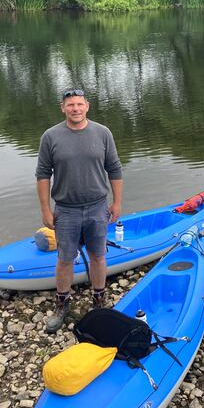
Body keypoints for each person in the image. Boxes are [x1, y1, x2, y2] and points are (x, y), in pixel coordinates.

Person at [36, 89, 123, 333]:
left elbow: (114, 169)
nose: (75, 109)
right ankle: (62, 304)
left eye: (79, 104)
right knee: (64, 259)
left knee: (98, 256)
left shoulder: (102, 133)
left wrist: (116, 203)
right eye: (70, 105)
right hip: (66, 209)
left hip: (97, 207)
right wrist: (45, 209)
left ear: (87, 106)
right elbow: (43, 174)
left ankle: (99, 302)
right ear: (62, 108)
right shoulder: (51, 137)